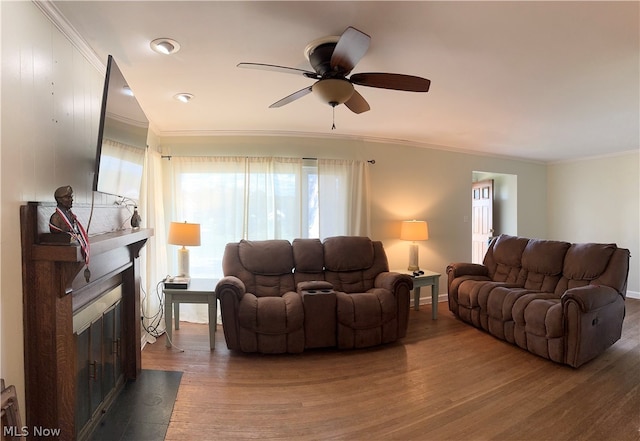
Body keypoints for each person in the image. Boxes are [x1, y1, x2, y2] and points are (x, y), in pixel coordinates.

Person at [49, 185, 90, 266]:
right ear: (60, 200)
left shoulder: (69, 215)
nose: (71, 199)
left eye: (71, 197)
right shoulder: (55, 218)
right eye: (68, 197)